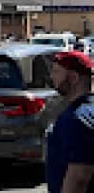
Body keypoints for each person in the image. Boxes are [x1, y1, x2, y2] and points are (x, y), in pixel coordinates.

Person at [46, 51, 94, 193]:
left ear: (73, 78)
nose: (52, 77)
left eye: (56, 71)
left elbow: (79, 177)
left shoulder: (76, 119)